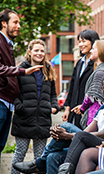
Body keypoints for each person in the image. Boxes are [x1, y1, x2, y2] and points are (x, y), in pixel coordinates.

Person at [13, 73, 104, 174]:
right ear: (101, 89)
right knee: (52, 157)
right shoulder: (103, 107)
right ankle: (43, 161)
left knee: (66, 126)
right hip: (92, 141)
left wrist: (68, 135)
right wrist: (64, 135)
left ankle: (39, 163)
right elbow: (87, 132)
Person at [10, 39, 60, 174]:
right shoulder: (21, 70)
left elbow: (53, 94)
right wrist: (20, 107)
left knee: (40, 159)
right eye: (36, 50)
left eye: (42, 51)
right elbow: (13, 93)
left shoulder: (48, 71)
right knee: (19, 154)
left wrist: (54, 108)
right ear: (30, 52)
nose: (39, 53)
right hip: (23, 120)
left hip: (43, 120)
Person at [0, 9, 43, 158]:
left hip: (7, 103)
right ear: (4, 24)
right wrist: (23, 72)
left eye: (19, 22)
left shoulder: (8, 43)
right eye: (15, 22)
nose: (19, 26)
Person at [72, 40, 104, 129]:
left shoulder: (100, 72)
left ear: (101, 52)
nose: (90, 51)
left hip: (95, 118)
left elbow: (92, 95)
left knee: (64, 128)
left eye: (93, 49)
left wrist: (82, 108)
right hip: (100, 117)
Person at [62, 29, 100, 129]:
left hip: (88, 111)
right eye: (79, 42)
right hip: (74, 110)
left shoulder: (97, 64)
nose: (80, 45)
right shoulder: (79, 63)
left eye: (84, 41)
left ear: (93, 42)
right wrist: (67, 109)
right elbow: (72, 87)